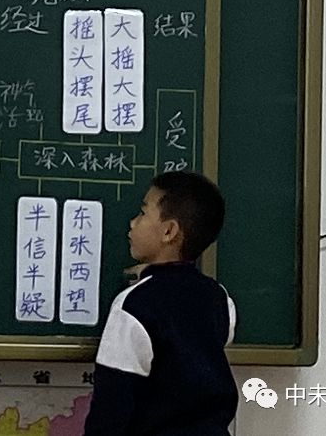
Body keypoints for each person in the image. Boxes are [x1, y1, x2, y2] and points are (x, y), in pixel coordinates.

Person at [83, 171, 237, 436]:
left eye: (143, 213)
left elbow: (110, 411)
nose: (133, 222)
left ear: (169, 231)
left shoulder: (133, 305)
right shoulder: (219, 299)